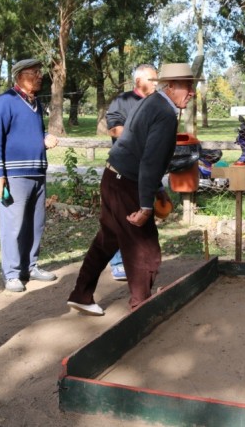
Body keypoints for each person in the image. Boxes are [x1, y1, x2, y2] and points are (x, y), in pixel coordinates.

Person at [67, 63, 198, 316]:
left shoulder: (154, 103)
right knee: (145, 249)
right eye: (187, 86)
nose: (191, 92)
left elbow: (143, 150)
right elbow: (149, 159)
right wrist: (146, 205)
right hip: (127, 183)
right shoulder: (165, 113)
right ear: (170, 87)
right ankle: (141, 309)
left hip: (113, 176)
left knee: (108, 240)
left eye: (192, 86)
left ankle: (81, 294)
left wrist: (156, 188)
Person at [0, 58, 59, 293]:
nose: (39, 76)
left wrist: (44, 137)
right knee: (13, 226)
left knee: (35, 224)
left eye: (39, 72)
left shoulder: (35, 103)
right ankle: (12, 273)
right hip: (14, 176)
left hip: (37, 173)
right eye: (34, 72)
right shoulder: (5, 102)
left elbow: (28, 131)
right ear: (19, 76)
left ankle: (30, 266)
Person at [104, 64, 158, 281]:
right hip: (123, 169)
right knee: (121, 217)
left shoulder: (157, 104)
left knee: (143, 215)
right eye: (152, 80)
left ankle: (139, 260)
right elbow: (114, 129)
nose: (156, 84)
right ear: (138, 82)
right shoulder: (122, 101)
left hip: (146, 169)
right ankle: (118, 262)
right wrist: (142, 136)